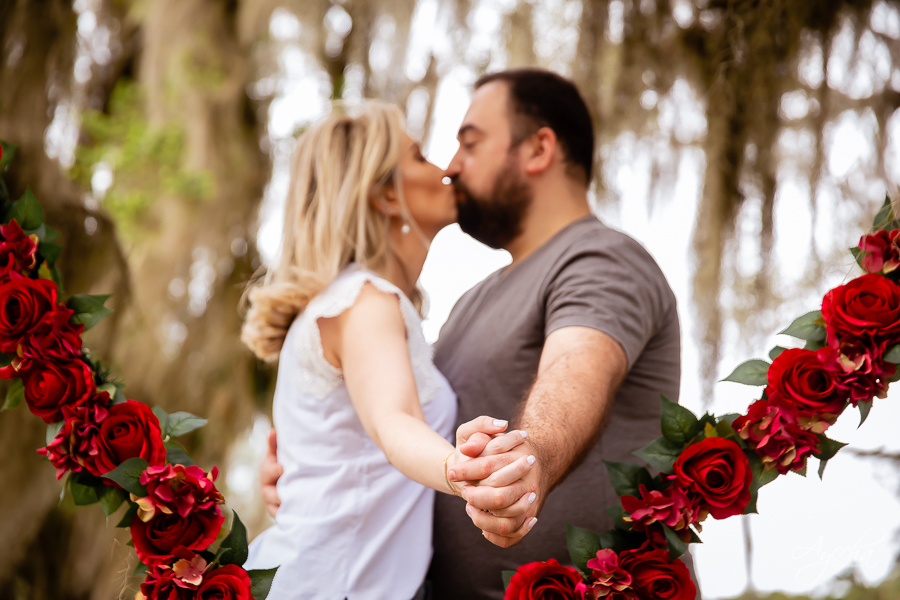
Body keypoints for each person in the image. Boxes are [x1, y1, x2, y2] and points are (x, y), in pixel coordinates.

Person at [261, 68, 698, 599]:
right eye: (429, 155)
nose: (450, 166)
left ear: (538, 149)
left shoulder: (599, 258)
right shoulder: (467, 302)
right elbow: (388, 416)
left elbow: (577, 368)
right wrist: (310, 471)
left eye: (469, 143)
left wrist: (528, 462)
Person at [239, 102, 539, 600]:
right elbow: (393, 420)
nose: (446, 170)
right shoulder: (365, 300)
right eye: (419, 156)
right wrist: (463, 472)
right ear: (386, 196)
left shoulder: (353, 300)